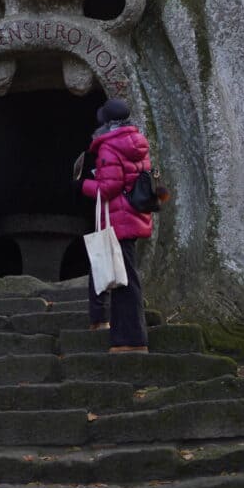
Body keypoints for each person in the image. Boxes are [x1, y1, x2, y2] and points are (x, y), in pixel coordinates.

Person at [80, 97, 152, 353]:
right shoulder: (137, 144)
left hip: (118, 217)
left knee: (125, 281)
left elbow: (109, 188)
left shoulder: (109, 147)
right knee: (125, 276)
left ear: (107, 122)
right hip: (132, 215)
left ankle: (131, 340)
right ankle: (114, 329)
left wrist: (84, 184)